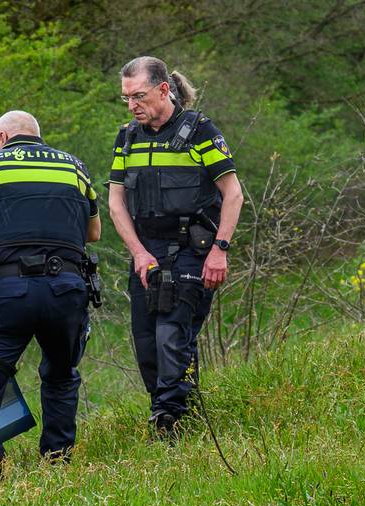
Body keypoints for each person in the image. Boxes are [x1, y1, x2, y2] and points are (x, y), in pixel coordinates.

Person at [0, 111, 100, 477]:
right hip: (66, 290)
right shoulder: (75, 167)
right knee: (61, 375)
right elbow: (93, 233)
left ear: (2, 138)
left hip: (8, 294)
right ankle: (57, 467)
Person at [107, 56, 243, 438]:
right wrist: (138, 252)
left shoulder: (199, 130)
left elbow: (233, 194)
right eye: (126, 98)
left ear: (163, 89)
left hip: (190, 250)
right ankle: (174, 411)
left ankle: (170, 425)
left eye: (139, 96)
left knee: (172, 336)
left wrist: (220, 250)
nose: (132, 105)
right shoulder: (127, 137)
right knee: (148, 345)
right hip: (146, 252)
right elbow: (116, 203)